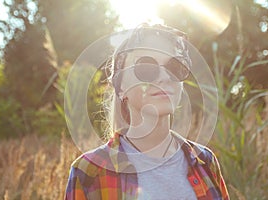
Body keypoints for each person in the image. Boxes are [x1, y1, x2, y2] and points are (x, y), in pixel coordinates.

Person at [64, 23, 229, 200]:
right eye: (146, 67)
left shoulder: (205, 161)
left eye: (174, 66)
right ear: (121, 88)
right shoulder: (88, 173)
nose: (165, 77)